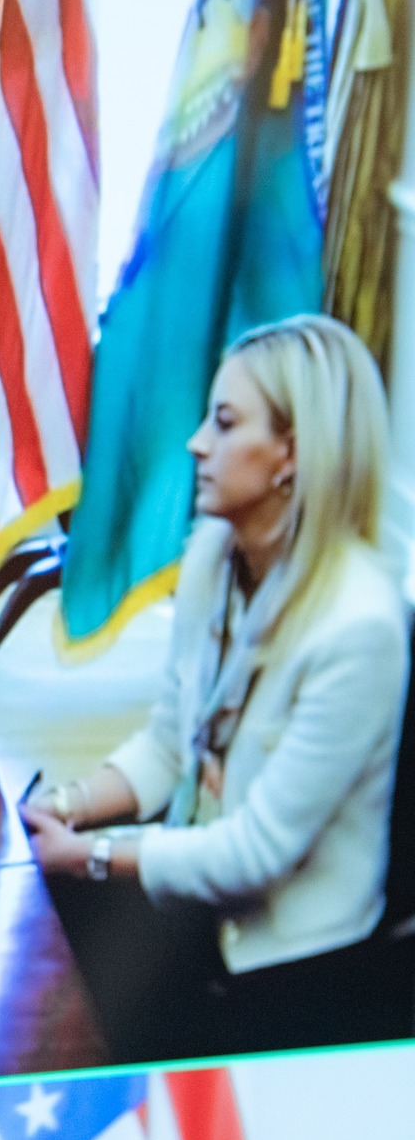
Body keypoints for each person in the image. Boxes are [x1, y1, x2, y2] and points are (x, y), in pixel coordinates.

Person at [22, 314, 412, 1062]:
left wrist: (94, 854)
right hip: (201, 890)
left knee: (77, 979)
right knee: (41, 931)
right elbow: (171, 746)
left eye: (225, 424)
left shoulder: (358, 626)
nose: (197, 443)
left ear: (291, 454)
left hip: (294, 960)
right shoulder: (212, 559)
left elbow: (257, 853)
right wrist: (63, 807)